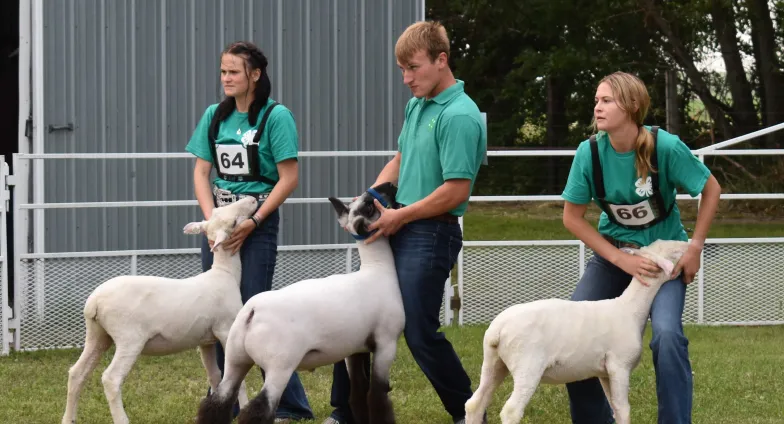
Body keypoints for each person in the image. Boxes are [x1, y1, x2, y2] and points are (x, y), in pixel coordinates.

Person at [323, 21, 487, 424]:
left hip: (432, 232)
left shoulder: (460, 116)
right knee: (355, 315)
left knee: (418, 331)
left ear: (441, 60)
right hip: (401, 222)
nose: (406, 79)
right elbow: (401, 159)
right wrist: (369, 198)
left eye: (413, 68)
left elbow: (456, 191)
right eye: (402, 69)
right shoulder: (418, 104)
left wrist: (401, 215)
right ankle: (346, 412)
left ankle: (470, 413)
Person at [560, 71, 721, 423]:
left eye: (607, 100)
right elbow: (571, 218)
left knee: (667, 336)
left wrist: (694, 247)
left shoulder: (665, 147)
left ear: (632, 106)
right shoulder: (589, 153)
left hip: (663, 263)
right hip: (613, 258)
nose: (597, 107)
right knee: (574, 330)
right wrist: (621, 259)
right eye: (596, 100)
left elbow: (711, 189)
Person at [185, 41, 314, 423]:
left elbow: (288, 178)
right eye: (223, 71)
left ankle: (289, 402)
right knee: (220, 309)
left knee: (254, 310)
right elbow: (201, 172)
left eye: (233, 72)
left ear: (255, 75)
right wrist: (213, 222)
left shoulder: (276, 117)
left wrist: (253, 222)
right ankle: (225, 397)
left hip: (256, 224)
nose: (226, 78)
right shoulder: (214, 116)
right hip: (220, 225)